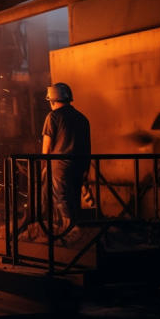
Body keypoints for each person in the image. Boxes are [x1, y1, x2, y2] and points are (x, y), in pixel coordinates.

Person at [41, 82, 91, 232]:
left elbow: (47, 146)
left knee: (61, 198)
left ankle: (70, 229)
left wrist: (44, 166)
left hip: (59, 165)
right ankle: (75, 228)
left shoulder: (53, 117)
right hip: (79, 164)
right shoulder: (82, 118)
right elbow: (87, 146)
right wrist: (86, 168)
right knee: (74, 197)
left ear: (52, 100)